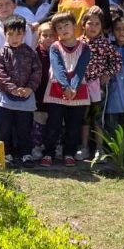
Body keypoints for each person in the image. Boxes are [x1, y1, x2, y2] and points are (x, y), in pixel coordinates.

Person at [0, 0, 34, 145]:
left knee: (19, 119)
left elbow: (29, 51)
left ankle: (18, 150)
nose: (4, 8)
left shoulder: (24, 26)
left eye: (7, 4)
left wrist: (19, 79)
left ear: (14, 5)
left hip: (20, 82)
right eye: (0, 5)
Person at [41, 12, 92, 167]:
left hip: (78, 90)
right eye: (59, 27)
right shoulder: (55, 47)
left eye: (66, 25)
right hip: (57, 89)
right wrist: (65, 86)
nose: (63, 29)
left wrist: (73, 87)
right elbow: (58, 67)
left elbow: (80, 69)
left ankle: (69, 153)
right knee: (53, 124)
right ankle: (49, 153)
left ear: (74, 26)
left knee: (74, 126)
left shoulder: (85, 47)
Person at [0, 14, 42, 167]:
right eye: (11, 34)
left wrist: (29, 88)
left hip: (26, 97)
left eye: (18, 34)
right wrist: (12, 89)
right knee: (4, 128)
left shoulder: (31, 53)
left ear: (24, 34)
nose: (15, 38)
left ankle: (25, 154)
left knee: (24, 127)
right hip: (6, 98)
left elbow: (37, 72)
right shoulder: (1, 53)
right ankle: (6, 154)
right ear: (5, 34)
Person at [78, 7, 121, 161]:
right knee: (84, 117)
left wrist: (107, 73)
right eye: (90, 23)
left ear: (102, 26)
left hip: (99, 86)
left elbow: (117, 61)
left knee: (97, 117)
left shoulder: (105, 44)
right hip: (81, 86)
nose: (93, 27)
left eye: (97, 24)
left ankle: (99, 149)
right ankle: (83, 147)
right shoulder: (78, 43)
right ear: (83, 25)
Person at [30, 22, 57, 161]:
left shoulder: (60, 52)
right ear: (39, 37)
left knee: (55, 121)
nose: (48, 38)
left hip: (56, 93)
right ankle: (37, 146)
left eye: (52, 35)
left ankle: (55, 146)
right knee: (39, 121)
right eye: (44, 35)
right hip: (39, 93)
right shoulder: (34, 53)